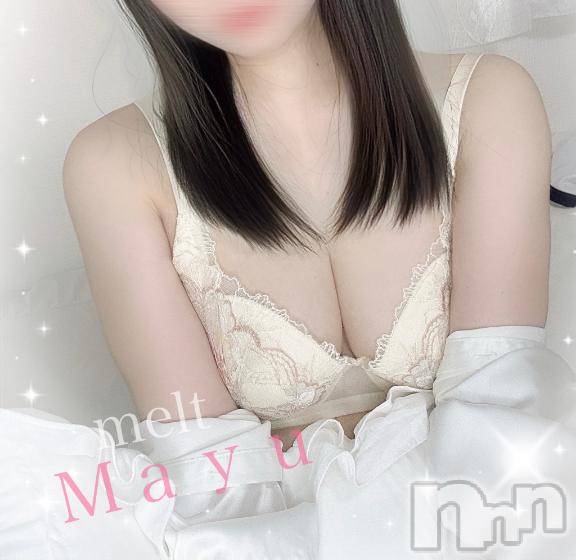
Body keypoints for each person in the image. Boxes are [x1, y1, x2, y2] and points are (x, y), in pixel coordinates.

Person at [3, 1, 575, 559]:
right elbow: (211, 475)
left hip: (488, 517)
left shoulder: (487, 99)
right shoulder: (114, 167)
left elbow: (501, 407)